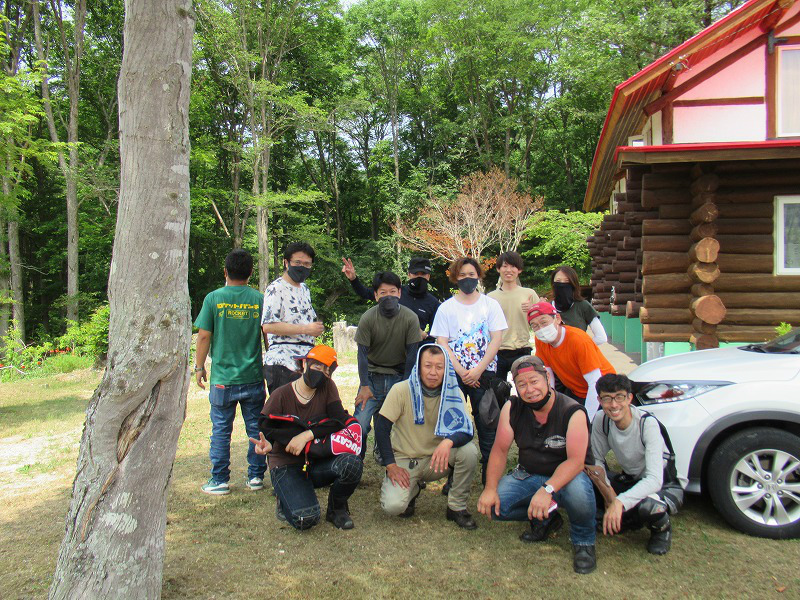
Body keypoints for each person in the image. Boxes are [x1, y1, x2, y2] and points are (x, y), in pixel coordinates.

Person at [477, 355, 597, 575]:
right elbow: (500, 450)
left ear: (547, 379)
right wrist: (490, 488)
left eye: (534, 381)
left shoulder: (573, 410)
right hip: (529, 474)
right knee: (496, 507)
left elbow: (576, 461)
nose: (529, 389)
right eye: (522, 384)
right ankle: (547, 517)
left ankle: (584, 541)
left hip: (568, 478)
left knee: (579, 492)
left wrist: (547, 490)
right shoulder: (512, 407)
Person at [253, 345, 363, 530]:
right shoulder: (281, 394)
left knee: (352, 464)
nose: (322, 373)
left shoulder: (328, 387)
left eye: (327, 370)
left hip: (316, 460)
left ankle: (336, 510)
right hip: (287, 463)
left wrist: (306, 435)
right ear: (304, 363)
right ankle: (284, 496)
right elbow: (266, 427)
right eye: (317, 366)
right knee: (305, 519)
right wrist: (267, 445)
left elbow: (338, 420)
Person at [376, 344, 480, 529]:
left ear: (446, 369)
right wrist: (390, 465)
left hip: (438, 459)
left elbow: (467, 430)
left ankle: (456, 507)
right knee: (393, 507)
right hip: (406, 459)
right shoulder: (401, 390)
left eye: (439, 367)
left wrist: (448, 442)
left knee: (469, 451)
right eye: (428, 366)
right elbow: (381, 427)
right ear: (418, 366)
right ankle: (413, 490)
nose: (433, 372)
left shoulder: (454, 393)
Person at [194, 249, 267, 495]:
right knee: (256, 428)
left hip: (223, 380)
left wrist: (199, 367)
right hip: (253, 377)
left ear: (225, 271)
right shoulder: (259, 299)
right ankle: (256, 477)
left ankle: (219, 480)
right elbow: (268, 335)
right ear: (250, 272)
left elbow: (204, 336)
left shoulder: (213, 299)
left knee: (221, 431)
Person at [587, 373, 684, 555]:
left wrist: (619, 502)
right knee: (585, 480)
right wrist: (608, 493)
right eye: (607, 398)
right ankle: (624, 519)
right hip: (631, 480)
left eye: (619, 397)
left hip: (664, 486)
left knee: (648, 506)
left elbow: (655, 480)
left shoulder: (647, 424)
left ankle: (661, 530)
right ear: (599, 400)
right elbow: (596, 460)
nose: (614, 405)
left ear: (629, 398)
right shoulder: (601, 419)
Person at [431, 256, 507, 480]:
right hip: (454, 375)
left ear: (478, 276)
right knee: (453, 422)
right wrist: (462, 372)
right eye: (462, 275)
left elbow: (496, 339)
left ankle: (489, 475)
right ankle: (452, 475)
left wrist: (478, 370)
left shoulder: (490, 305)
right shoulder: (446, 308)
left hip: (485, 373)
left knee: (487, 423)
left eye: (471, 275)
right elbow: (442, 342)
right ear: (455, 277)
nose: (467, 279)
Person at [354, 271, 422, 461]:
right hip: (371, 376)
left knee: (396, 424)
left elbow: (412, 354)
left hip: (398, 376)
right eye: (383, 293)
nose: (388, 296)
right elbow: (362, 354)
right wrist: (364, 385)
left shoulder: (410, 318)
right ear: (375, 295)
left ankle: (388, 454)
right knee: (360, 424)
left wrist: (406, 385)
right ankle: (354, 462)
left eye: (393, 291)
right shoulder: (368, 318)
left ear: (400, 292)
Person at [527, 300, 615, 420]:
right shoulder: (541, 340)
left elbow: (594, 382)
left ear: (557, 319)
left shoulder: (578, 340)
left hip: (603, 391)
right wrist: (550, 406)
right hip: (576, 391)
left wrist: (587, 419)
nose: (541, 329)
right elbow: (548, 375)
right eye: (535, 326)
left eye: (544, 322)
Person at [262, 242, 324, 395]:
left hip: (306, 362)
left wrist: (315, 329)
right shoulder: (276, 289)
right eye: (297, 262)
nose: (302, 267)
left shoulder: (305, 289)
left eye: (307, 264)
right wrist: (306, 329)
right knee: (286, 408)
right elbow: (268, 326)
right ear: (286, 262)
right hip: (283, 363)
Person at [342, 256, 440, 342]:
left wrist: (424, 335)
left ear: (428, 276)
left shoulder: (433, 303)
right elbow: (365, 293)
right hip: (387, 344)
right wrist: (353, 279)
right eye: (416, 273)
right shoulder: (394, 292)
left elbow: (436, 333)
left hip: (416, 348)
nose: (419, 277)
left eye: (423, 274)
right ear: (409, 274)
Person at [487, 251, 539, 383]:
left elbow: (540, 321)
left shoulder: (529, 294)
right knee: (498, 390)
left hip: (522, 350)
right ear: (498, 269)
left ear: (519, 270)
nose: (509, 270)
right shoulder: (490, 298)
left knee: (525, 388)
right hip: (497, 352)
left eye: (513, 266)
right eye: (505, 266)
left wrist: (532, 309)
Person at [550, 266, 606, 346]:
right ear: (553, 284)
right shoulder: (547, 308)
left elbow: (601, 337)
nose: (562, 285)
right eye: (558, 281)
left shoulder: (583, 306)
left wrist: (581, 347)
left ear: (573, 284)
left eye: (567, 281)